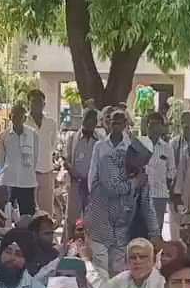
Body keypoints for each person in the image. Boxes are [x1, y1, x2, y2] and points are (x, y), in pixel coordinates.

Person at [87, 138, 157, 275]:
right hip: (99, 229)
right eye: (142, 161)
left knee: (120, 276)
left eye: (146, 162)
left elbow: (147, 205)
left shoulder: (140, 173)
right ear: (131, 153)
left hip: (121, 233)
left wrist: (155, 233)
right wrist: (135, 183)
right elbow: (113, 187)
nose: (143, 166)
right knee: (100, 275)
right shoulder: (109, 161)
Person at [63, 109, 100, 241]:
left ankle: (88, 248)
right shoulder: (73, 138)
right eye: (87, 119)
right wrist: (74, 172)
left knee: (91, 220)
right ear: (82, 120)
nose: (89, 123)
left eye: (92, 120)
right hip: (75, 183)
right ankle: (68, 247)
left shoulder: (100, 140)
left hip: (93, 186)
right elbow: (65, 159)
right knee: (72, 218)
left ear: (96, 123)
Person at [0, 104, 39, 216]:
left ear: (25, 118)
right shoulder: (3, 136)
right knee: (6, 213)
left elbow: (35, 158)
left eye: (21, 117)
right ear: (11, 117)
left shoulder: (33, 134)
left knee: (28, 214)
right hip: (8, 180)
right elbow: (1, 160)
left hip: (27, 181)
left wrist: (28, 171)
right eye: (15, 116)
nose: (17, 119)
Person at [138, 112, 175, 239]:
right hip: (140, 195)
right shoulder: (138, 144)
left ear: (162, 127)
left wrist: (165, 185)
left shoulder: (167, 148)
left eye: (158, 124)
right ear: (146, 126)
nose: (154, 127)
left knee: (156, 230)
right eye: (151, 124)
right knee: (141, 228)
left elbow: (171, 171)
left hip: (159, 195)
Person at [26, 89, 58, 216]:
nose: (36, 105)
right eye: (33, 102)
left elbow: (52, 145)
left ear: (44, 104)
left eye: (39, 102)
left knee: (46, 210)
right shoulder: (23, 122)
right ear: (28, 103)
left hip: (46, 170)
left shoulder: (51, 123)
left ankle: (46, 235)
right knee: (29, 208)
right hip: (28, 172)